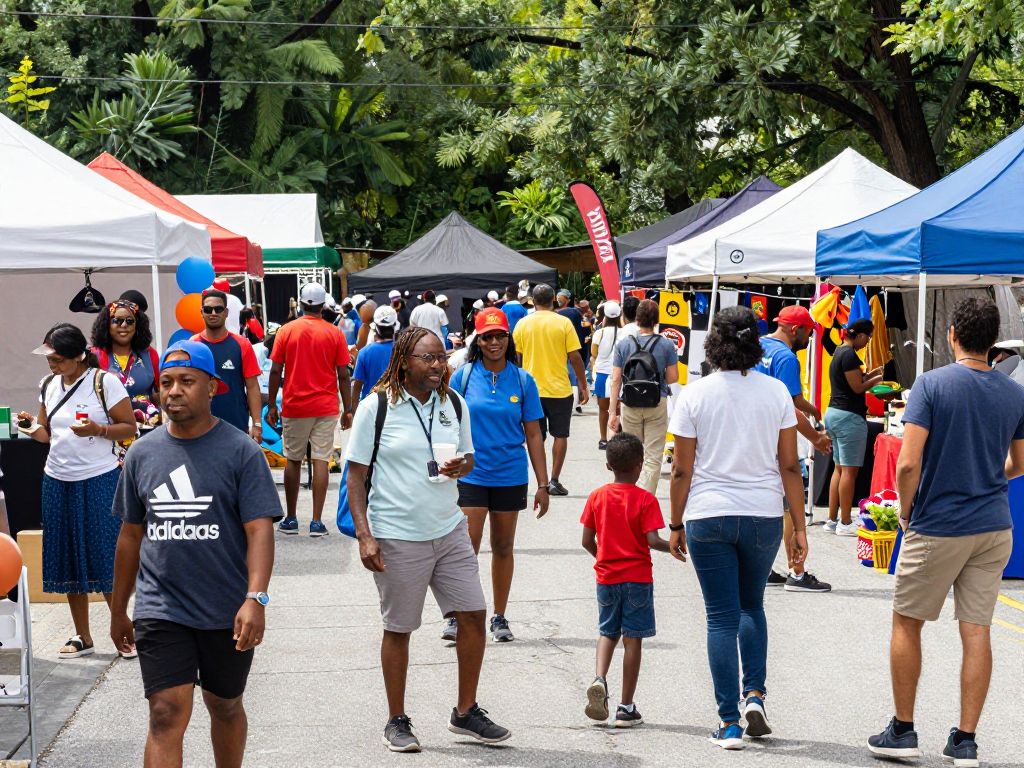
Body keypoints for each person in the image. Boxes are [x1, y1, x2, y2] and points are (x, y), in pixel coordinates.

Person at [867, 298, 1024, 767]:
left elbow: (909, 462)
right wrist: (987, 475)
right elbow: (1021, 462)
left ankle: (903, 728)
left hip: (939, 522)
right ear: (993, 340)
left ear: (952, 333)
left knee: (907, 621)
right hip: (993, 524)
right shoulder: (1014, 392)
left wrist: (908, 510)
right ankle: (966, 739)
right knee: (976, 629)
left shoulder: (931, 385)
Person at [110, 341, 281, 768]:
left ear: (213, 387)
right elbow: (131, 537)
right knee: (165, 712)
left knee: (224, 705)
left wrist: (255, 598)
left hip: (225, 606)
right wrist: (117, 609)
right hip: (160, 607)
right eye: (166, 382)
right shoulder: (142, 452)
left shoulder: (240, 451)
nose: (173, 391)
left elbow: (259, 530)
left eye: (187, 381)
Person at [346, 328, 511, 753]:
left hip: (449, 527)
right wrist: (366, 536)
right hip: (398, 534)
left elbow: (470, 456)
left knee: (474, 615)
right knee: (400, 628)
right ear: (404, 362)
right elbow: (356, 476)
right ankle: (396, 720)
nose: (439, 365)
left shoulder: (453, 403)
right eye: (428, 358)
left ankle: (465, 711)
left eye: (442, 357)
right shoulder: (376, 407)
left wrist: (461, 467)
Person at [668, 306, 808, 750]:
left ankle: (728, 722)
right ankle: (756, 696)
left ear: (713, 344)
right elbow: (789, 464)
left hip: (708, 513)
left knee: (720, 617)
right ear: (755, 343)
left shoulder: (694, 394)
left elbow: (680, 471)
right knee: (752, 607)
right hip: (764, 513)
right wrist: (800, 527)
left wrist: (674, 523)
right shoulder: (776, 394)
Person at [17, 323, 138, 658]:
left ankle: (121, 628)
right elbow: (46, 435)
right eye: (49, 358)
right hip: (57, 478)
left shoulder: (104, 382)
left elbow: (130, 427)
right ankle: (82, 635)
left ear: (79, 356)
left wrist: (98, 429)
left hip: (99, 477)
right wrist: (29, 426)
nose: (52, 365)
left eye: (57, 359)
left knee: (107, 555)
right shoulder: (48, 385)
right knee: (68, 555)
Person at [450, 308, 549, 644]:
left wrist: (544, 483)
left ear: (509, 338)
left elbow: (534, 434)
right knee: (467, 548)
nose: (494, 342)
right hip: (471, 475)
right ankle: (459, 614)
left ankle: (499, 616)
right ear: (477, 341)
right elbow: (445, 425)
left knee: (503, 547)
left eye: (500, 336)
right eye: (487, 337)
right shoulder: (462, 376)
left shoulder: (523, 380)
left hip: (510, 474)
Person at [581, 433, 669, 728]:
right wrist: (673, 547)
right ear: (641, 465)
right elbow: (652, 539)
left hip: (606, 577)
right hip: (638, 579)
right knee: (633, 641)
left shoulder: (597, 496)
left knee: (607, 632)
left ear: (608, 465)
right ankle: (625, 707)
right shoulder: (646, 499)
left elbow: (586, 540)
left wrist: (601, 558)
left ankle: (599, 679)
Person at [755, 305, 833, 593]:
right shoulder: (786, 357)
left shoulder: (757, 347)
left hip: (755, 439)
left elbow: (793, 400)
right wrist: (815, 436)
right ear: (795, 329)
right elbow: (787, 406)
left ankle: (761, 568)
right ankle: (796, 573)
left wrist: (813, 410)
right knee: (790, 505)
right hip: (780, 440)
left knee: (765, 507)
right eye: (808, 333)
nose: (809, 339)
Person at [267, 282, 352, 537]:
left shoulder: (286, 331)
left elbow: (275, 371)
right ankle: (316, 521)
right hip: (325, 405)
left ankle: (291, 518)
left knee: (293, 460)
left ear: (302, 303)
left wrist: (272, 404)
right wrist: (348, 408)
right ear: (323, 305)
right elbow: (343, 375)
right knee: (322, 460)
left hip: (295, 405)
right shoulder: (335, 333)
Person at [513, 284, 590, 496]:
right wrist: (583, 385)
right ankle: (555, 479)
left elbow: (517, 359)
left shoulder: (522, 324)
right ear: (554, 299)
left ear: (532, 301)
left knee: (535, 436)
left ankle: (541, 480)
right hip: (559, 389)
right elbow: (575, 357)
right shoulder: (563, 323)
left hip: (531, 390)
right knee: (560, 434)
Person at [608, 299, 678, 494]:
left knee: (630, 452)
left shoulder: (623, 344)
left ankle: (629, 496)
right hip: (657, 401)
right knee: (653, 455)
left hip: (630, 403)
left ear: (636, 319)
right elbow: (673, 378)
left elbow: (615, 380)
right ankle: (645, 498)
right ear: (656, 320)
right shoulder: (666, 345)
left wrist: (612, 412)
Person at [824, 318, 883, 535]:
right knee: (849, 471)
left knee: (839, 468)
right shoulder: (849, 354)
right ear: (859, 335)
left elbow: (853, 381)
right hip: (848, 417)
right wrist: (876, 382)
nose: (867, 342)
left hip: (834, 413)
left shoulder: (840, 352)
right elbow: (857, 387)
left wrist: (873, 374)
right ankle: (846, 522)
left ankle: (832, 520)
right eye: (867, 337)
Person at [192, 290, 262, 441]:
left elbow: (252, 387)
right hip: (200, 426)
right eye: (208, 309)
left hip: (236, 425)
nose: (213, 313)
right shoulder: (192, 345)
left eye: (218, 309)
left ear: (226, 312)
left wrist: (257, 424)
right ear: (201, 312)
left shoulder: (242, 345)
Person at [589, 301, 622, 450]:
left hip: (602, 374)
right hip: (620, 375)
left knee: (603, 409)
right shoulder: (625, 333)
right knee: (619, 409)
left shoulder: (599, 333)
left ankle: (603, 439)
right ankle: (617, 437)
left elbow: (593, 353)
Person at [352, 305, 399, 403]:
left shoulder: (364, 352)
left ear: (375, 328)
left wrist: (353, 413)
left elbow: (357, 387)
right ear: (395, 327)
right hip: (396, 403)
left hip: (369, 405)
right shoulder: (402, 350)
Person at [556, 289, 589, 367]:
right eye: (557, 296)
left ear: (568, 300)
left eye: (560, 296)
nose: (558, 298)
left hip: (564, 353)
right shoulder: (574, 312)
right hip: (569, 353)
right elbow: (583, 333)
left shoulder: (573, 312)